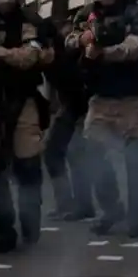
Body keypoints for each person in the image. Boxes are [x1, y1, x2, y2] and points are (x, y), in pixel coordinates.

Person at [73, 0, 138, 238]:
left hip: (133, 98)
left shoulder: (135, 12)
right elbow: (71, 38)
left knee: (136, 158)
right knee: (91, 151)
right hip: (102, 99)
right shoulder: (89, 15)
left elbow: (135, 47)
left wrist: (103, 53)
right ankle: (111, 208)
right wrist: (80, 41)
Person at [0, 0, 56, 252]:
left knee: (28, 164)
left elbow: (31, 56)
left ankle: (30, 223)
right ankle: (3, 231)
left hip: (23, 100)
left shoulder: (30, 21)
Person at [44, 13, 93, 221]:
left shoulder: (66, 50)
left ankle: (83, 205)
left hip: (82, 104)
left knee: (75, 152)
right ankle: (65, 203)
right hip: (70, 105)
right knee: (53, 151)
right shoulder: (48, 56)